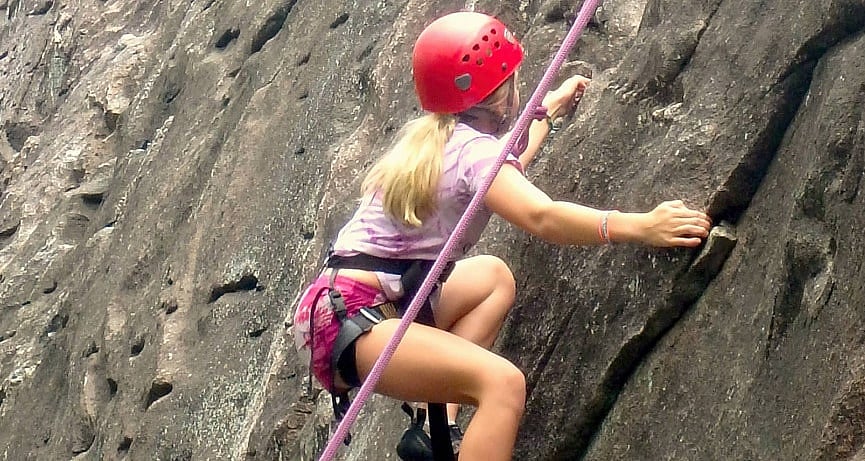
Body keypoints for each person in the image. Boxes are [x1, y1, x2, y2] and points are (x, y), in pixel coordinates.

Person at [292, 11, 712, 461]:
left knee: (493, 278)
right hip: (357, 320)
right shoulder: (472, 152)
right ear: (497, 91)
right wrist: (639, 227)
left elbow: (504, 173)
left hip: (341, 313)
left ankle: (437, 428)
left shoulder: (437, 140)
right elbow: (541, 215)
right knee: (502, 385)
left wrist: (546, 112)